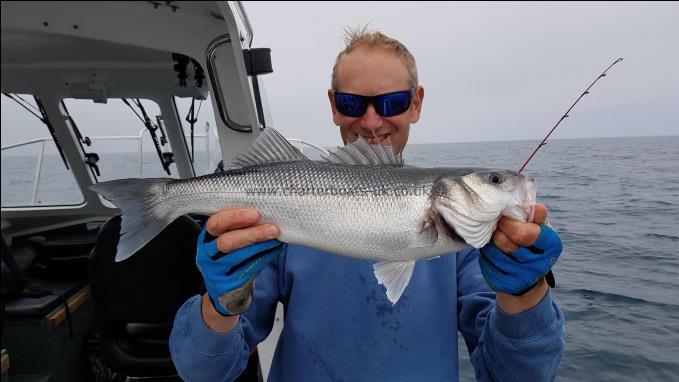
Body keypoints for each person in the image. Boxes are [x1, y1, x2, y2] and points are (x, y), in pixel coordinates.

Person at [170, 28, 565, 381]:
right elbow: (204, 373)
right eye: (352, 103)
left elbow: (517, 376)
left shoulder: (466, 244)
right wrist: (220, 304)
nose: (372, 122)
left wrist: (526, 295)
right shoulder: (272, 229)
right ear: (333, 104)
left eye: (392, 102)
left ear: (416, 103)